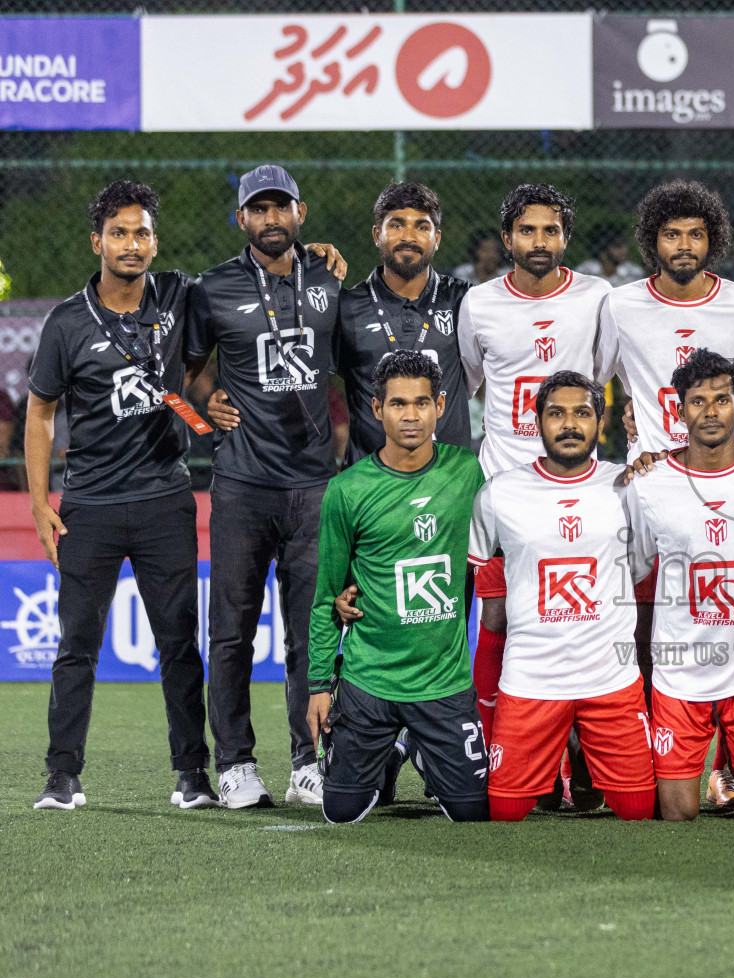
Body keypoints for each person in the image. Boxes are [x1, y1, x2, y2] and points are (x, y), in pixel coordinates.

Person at [27, 181, 216, 812]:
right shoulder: (66, 321)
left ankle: (194, 776)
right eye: (118, 233)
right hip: (90, 506)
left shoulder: (177, 294)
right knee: (76, 645)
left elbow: (248, 282)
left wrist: (312, 254)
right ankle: (61, 778)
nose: (131, 245)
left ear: (154, 241)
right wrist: (38, 502)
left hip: (166, 499)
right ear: (97, 242)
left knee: (179, 644)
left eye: (141, 233)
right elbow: (40, 414)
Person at [188, 164, 345, 810]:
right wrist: (207, 407)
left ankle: (309, 762)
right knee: (232, 631)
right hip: (244, 483)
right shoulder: (213, 288)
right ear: (242, 220)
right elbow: (186, 374)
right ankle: (235, 763)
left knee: (311, 633)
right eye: (259, 210)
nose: (271, 219)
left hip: (315, 484)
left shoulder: (332, 281)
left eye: (281, 208)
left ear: (300, 214)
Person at [456, 183, 612, 777]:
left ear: (566, 238)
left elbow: (610, 372)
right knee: (497, 620)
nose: (539, 241)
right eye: (528, 230)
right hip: (504, 493)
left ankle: (577, 764)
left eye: (550, 231)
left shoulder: (596, 297)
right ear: (507, 239)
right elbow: (467, 383)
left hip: (578, 490)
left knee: (576, 619)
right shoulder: (481, 304)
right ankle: (490, 750)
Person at [306, 351, 489, 823]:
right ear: (376, 409)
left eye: (422, 403)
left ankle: (425, 750)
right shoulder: (347, 490)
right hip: (370, 680)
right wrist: (319, 686)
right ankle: (386, 755)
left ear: (442, 407)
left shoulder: (468, 473)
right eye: (399, 404)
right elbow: (328, 594)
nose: (411, 415)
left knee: (473, 813)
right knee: (340, 812)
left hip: (443, 682)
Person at [468, 371, 658, 822]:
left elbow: (642, 566)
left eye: (582, 413)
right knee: (504, 812)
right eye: (556, 413)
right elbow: (475, 565)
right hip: (530, 682)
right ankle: (552, 772)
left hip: (611, 682)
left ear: (600, 421)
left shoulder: (628, 486)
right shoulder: (500, 493)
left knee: (641, 811)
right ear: (537, 422)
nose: (569, 424)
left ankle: (584, 771)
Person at [627, 349, 734, 821]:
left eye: (721, 400)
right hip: (679, 671)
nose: (710, 411)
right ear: (679, 410)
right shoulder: (651, 483)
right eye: (697, 401)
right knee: (676, 813)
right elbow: (636, 566)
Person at [600, 180, 734, 458]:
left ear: (712, 240)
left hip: (722, 468)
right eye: (671, 234)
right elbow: (592, 380)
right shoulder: (619, 305)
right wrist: (631, 408)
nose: (684, 245)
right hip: (650, 470)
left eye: (695, 234)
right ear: (652, 241)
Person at [337, 182, 473, 462]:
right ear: (377, 234)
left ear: (437, 238)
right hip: (371, 482)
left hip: (448, 479)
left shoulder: (466, 300)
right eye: (396, 225)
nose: (409, 236)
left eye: (422, 227)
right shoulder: (346, 307)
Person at [574, 225, 645, 288]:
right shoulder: (585, 271)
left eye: (624, 245)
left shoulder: (633, 272)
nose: (624, 250)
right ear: (602, 250)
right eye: (618, 246)